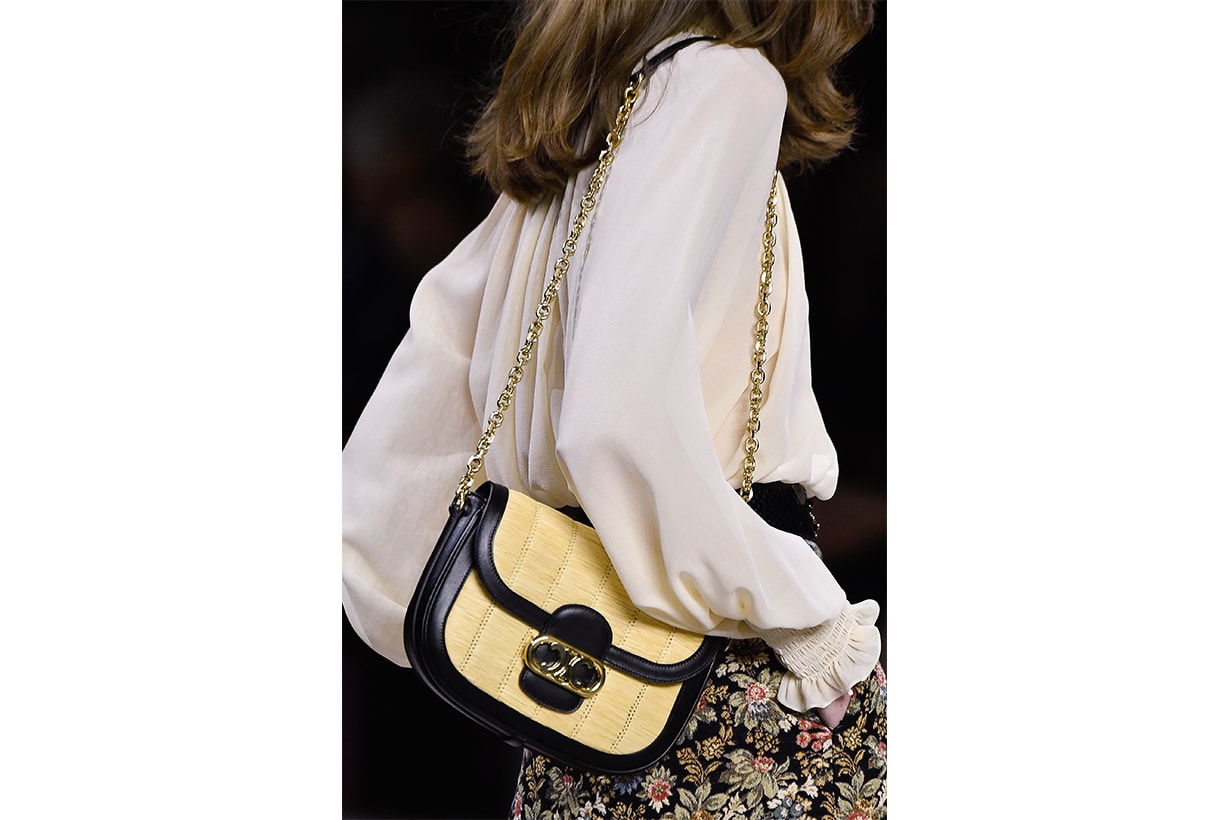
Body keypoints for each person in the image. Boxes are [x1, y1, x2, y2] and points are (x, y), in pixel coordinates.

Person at [342, 1, 885, 817]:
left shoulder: (582, 122)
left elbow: (409, 425)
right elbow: (615, 419)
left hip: (583, 699)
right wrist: (803, 615)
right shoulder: (722, 81)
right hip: (725, 657)